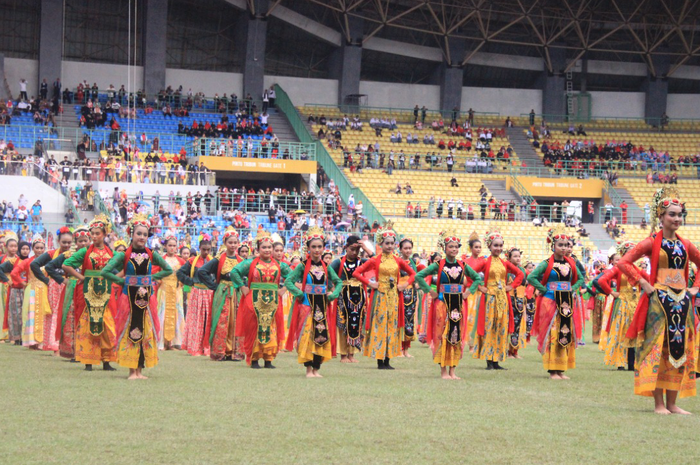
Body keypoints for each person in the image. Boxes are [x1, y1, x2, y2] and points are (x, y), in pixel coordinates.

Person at [617, 187, 700, 414]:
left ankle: (673, 403)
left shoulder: (686, 244)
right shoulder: (651, 242)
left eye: (679, 214)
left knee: (679, 348)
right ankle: (659, 404)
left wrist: (695, 287)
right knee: (657, 348)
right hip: (658, 301)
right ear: (660, 217)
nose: (676, 218)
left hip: (682, 303)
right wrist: (642, 282)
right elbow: (624, 262)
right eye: (671, 214)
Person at [102, 214, 173, 380]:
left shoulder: (151, 254)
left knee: (145, 331)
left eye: (145, 234)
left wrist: (151, 279)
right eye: (139, 234)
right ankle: (131, 371)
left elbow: (168, 270)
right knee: (130, 330)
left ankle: (139, 370)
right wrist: (122, 281)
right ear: (131, 234)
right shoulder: (123, 255)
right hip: (129, 297)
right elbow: (105, 272)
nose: (142, 237)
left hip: (147, 298)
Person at [415, 231, 482, 380]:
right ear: (444, 248)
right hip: (442, 304)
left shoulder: (463, 265)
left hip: (458, 304)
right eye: (451, 247)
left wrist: (468, 292)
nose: (454, 249)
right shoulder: (439, 265)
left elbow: (477, 278)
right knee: (442, 334)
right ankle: (443, 371)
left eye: (456, 247)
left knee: (456, 333)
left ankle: (453, 370)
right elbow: (418, 276)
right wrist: (429, 292)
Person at [352, 222, 417, 370]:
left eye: (392, 243)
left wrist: (404, 285)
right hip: (380, 296)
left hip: (394, 297)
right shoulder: (375, 259)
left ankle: (388, 359)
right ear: (381, 243)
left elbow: (413, 274)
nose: (389, 246)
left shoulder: (398, 260)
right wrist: (370, 283)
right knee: (380, 326)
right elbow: (356, 272)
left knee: (391, 326)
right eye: (387, 243)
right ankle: (380, 360)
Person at [284, 227, 343, 378]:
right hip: (306, 305)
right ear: (308, 248)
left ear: (324, 248)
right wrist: (298, 293)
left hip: (322, 307)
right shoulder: (302, 266)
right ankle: (308, 369)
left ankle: (316, 368)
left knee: (321, 336)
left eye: (319, 247)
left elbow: (338, 282)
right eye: (314, 247)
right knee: (307, 336)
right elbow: (289, 280)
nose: (317, 250)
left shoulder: (326, 267)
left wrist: (333, 295)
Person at [527, 226, 584, 380]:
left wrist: (573, 288)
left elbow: (580, 279)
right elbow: (531, 277)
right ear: (553, 246)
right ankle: (552, 370)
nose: (564, 248)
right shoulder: (546, 264)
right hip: (550, 301)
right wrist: (543, 290)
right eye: (560, 245)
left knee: (564, 332)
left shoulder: (571, 263)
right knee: (553, 333)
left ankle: (561, 369)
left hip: (566, 302)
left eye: (566, 245)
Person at [62, 215, 117, 371]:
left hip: (106, 291)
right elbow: (67, 264)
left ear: (105, 234)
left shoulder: (110, 252)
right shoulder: (85, 251)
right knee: (89, 324)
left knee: (106, 325)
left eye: (97, 233)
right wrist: (81, 277)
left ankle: (106, 360)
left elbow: (120, 267)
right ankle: (88, 361)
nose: (93, 236)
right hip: (89, 293)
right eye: (92, 233)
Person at [231, 230, 292, 368]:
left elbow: (292, 276)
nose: (267, 250)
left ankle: (268, 359)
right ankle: (254, 359)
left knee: (271, 328)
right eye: (263, 247)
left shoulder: (280, 264)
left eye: (269, 247)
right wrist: (242, 286)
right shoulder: (250, 263)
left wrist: (283, 289)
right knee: (254, 327)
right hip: (253, 300)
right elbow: (234, 272)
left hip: (272, 301)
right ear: (257, 249)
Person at [470, 231, 524, 370]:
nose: (498, 248)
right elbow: (469, 273)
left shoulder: (504, 262)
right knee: (490, 326)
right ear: (489, 245)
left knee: (501, 327)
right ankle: (489, 359)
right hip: (489, 299)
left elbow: (520, 274)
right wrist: (480, 287)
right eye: (495, 245)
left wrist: (511, 286)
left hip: (502, 299)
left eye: (500, 246)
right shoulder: (485, 261)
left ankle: (497, 360)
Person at [195, 227, 244, 361]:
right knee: (222, 321)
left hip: (236, 293)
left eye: (235, 242)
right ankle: (220, 351)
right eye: (230, 242)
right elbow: (202, 272)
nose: (233, 245)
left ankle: (234, 352)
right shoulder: (218, 259)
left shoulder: (240, 260)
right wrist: (215, 286)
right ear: (225, 243)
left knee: (236, 321)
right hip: (223, 293)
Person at [596, 241, 645, 371]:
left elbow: (651, 280)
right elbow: (601, 280)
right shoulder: (619, 268)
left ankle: (631, 363)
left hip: (635, 305)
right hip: (624, 304)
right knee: (622, 331)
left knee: (633, 332)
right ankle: (622, 362)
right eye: (629, 252)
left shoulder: (638, 269)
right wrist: (612, 292)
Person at [45, 226, 91, 360]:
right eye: (80, 241)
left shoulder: (92, 255)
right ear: (75, 242)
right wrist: (62, 280)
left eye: (85, 240)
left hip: (88, 289)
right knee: (71, 318)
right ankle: (73, 352)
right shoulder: (68, 255)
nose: (83, 244)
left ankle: (86, 350)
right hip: (72, 289)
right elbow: (49, 267)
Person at [29, 228, 74, 353]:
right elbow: (34, 264)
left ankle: (66, 346)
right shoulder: (51, 254)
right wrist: (46, 280)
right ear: (58, 241)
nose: (66, 245)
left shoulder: (75, 254)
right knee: (56, 313)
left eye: (69, 242)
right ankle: (55, 347)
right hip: (55, 287)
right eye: (64, 242)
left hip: (70, 285)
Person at [328, 236, 370, 363]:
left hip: (358, 298)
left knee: (355, 324)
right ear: (346, 247)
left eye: (357, 250)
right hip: (343, 296)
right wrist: (331, 288)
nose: (354, 252)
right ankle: (343, 355)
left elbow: (377, 262)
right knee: (343, 324)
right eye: (352, 249)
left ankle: (352, 354)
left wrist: (366, 248)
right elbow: (327, 273)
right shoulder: (338, 262)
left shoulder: (362, 261)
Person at [177, 238, 213, 356]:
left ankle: (207, 346)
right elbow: (179, 273)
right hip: (197, 292)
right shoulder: (192, 261)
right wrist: (191, 282)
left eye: (208, 249)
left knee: (208, 320)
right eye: (204, 249)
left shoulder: (213, 261)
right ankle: (195, 346)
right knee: (196, 320)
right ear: (199, 248)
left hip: (209, 292)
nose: (206, 252)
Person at [155, 236, 186, 350]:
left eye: (174, 246)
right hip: (163, 291)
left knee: (178, 314)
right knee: (161, 315)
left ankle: (176, 341)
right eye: (170, 245)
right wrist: (160, 282)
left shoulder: (181, 261)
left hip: (176, 291)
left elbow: (185, 274)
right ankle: (161, 342)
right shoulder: (161, 260)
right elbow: (155, 272)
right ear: (165, 246)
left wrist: (180, 283)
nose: (172, 248)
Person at [0, 236, 31, 345]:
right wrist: (8, 281)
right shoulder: (13, 261)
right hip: (14, 289)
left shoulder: (32, 261)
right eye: (23, 249)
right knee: (14, 313)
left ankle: (25, 337)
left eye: (27, 249)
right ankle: (15, 337)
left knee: (27, 313)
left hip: (27, 290)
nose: (25, 251)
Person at [397, 237, 423, 358]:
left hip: (411, 294)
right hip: (399, 293)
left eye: (410, 248)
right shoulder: (396, 261)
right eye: (405, 248)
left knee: (409, 320)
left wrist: (419, 283)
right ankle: (398, 349)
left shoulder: (414, 263)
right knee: (399, 320)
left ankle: (406, 349)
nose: (408, 251)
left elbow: (425, 272)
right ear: (400, 249)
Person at [506, 247, 528, 359]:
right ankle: (507, 351)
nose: (518, 258)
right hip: (509, 300)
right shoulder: (506, 270)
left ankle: (515, 351)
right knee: (508, 325)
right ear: (509, 258)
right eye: (515, 256)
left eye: (519, 256)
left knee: (518, 326)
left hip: (520, 301)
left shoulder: (523, 271)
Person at [464, 232, 484, 345]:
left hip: (480, 293)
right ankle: (468, 340)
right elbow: (466, 278)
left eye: (480, 247)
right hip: (470, 292)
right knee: (469, 317)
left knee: (479, 317)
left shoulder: (483, 261)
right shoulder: (466, 262)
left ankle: (477, 341)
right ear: (471, 248)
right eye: (476, 247)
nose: (478, 249)